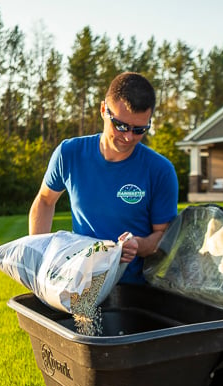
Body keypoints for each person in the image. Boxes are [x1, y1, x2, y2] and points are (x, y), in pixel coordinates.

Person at [28, 71, 178, 284]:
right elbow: (44, 200)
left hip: (135, 293)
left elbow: (163, 237)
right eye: (121, 126)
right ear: (102, 110)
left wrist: (138, 245)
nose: (128, 137)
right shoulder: (69, 154)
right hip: (79, 283)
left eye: (139, 129)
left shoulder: (160, 170)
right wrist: (37, 259)